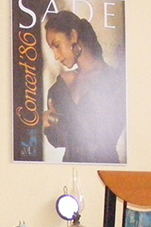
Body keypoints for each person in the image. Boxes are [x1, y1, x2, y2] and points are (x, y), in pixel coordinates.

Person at [42, 10, 126, 163]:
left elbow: (103, 134)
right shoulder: (61, 85)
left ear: (73, 36)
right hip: (68, 170)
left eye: (57, 45)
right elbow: (58, 140)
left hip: (104, 170)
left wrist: (55, 120)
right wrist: (48, 122)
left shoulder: (115, 82)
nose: (56, 56)